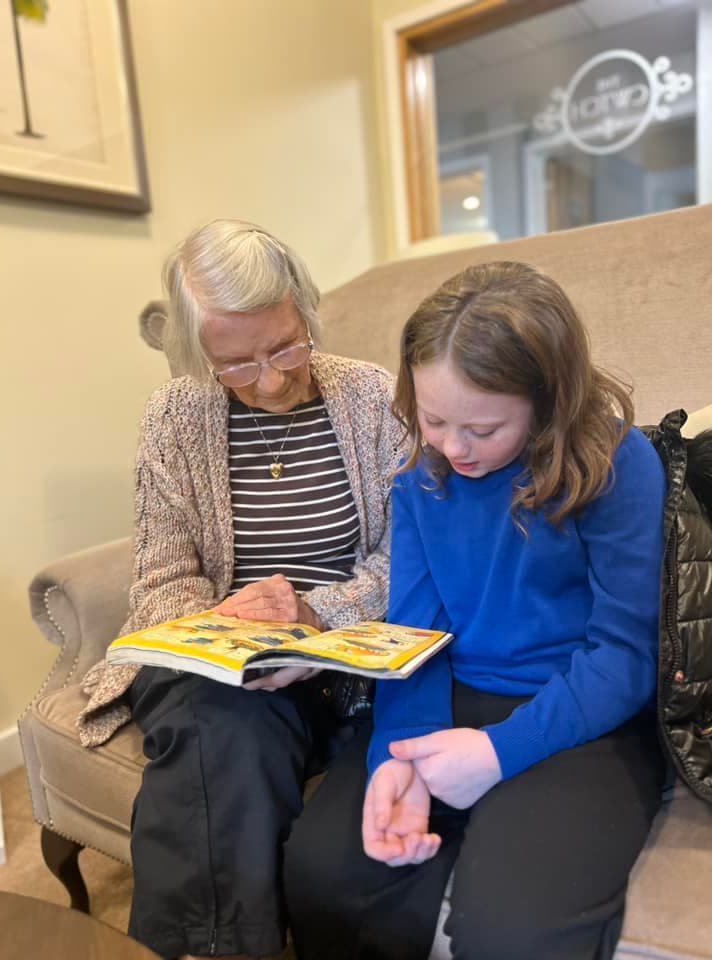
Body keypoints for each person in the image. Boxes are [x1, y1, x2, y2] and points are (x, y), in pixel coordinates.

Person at [284, 261, 668, 960]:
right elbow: (412, 634)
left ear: (548, 401)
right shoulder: (420, 477)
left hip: (583, 714)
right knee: (323, 875)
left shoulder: (619, 464)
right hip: (449, 696)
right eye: (434, 420)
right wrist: (392, 755)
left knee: (511, 932)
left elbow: (626, 655)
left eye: (483, 429)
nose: (453, 448)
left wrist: (499, 753)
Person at [76, 219, 403, 960]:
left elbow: (412, 554)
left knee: (235, 735)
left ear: (306, 312)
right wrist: (222, 626)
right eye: (237, 364)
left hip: (344, 655)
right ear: (197, 356)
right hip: (220, 663)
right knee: (221, 723)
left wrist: (319, 613)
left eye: (286, 345)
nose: (272, 378)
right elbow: (160, 578)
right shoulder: (173, 419)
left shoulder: (373, 399)